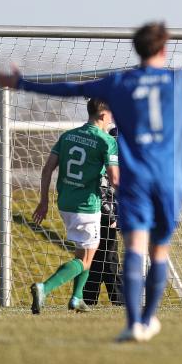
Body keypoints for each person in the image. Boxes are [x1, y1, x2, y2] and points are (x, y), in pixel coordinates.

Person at [0, 22, 182, 341]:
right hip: (170, 180)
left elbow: (71, 88)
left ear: (136, 49)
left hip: (135, 181)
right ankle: (149, 319)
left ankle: (132, 324)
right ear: (164, 49)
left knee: (134, 249)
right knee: (159, 251)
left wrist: (22, 83)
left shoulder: (118, 82)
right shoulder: (179, 79)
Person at [29, 98, 119, 314]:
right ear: (103, 115)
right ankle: (45, 287)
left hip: (65, 202)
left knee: (83, 251)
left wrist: (43, 201)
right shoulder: (107, 141)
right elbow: (115, 180)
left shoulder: (67, 136)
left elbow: (47, 169)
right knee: (87, 258)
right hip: (87, 205)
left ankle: (77, 298)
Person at [83, 125, 123, 307]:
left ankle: (87, 300)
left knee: (101, 260)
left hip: (102, 214)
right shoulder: (107, 160)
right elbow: (102, 189)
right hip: (101, 215)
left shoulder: (117, 160)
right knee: (107, 258)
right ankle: (118, 301)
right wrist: (112, 215)